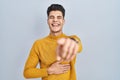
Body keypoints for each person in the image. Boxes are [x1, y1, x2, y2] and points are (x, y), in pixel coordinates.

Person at [23, 4, 82, 80]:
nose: (55, 20)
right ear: (48, 21)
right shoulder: (38, 44)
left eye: (59, 17)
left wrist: (72, 43)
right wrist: (49, 70)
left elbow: (78, 46)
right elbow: (27, 72)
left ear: (63, 21)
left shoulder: (71, 39)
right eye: (52, 17)